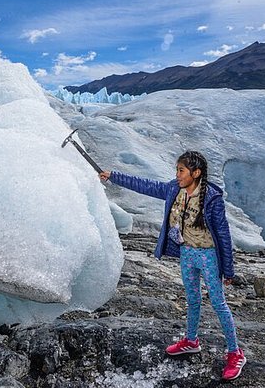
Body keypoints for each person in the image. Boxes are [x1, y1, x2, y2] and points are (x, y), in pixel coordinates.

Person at [99, 150, 246, 381]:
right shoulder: (174, 189)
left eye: (181, 170)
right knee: (193, 298)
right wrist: (114, 176)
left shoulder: (211, 198)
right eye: (177, 170)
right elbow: (146, 185)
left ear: (195, 173)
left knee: (218, 303)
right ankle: (191, 340)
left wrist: (228, 269)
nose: (177, 175)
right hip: (186, 253)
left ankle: (235, 353)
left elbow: (224, 234)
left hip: (208, 256)